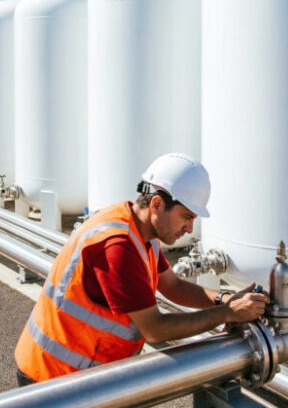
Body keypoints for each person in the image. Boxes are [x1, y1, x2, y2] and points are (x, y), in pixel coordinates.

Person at [14, 153, 269, 385]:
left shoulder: (140, 230)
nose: (190, 229)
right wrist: (226, 314)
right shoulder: (117, 247)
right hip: (52, 379)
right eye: (187, 217)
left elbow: (173, 286)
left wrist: (224, 299)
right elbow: (155, 329)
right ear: (157, 204)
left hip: (83, 376)